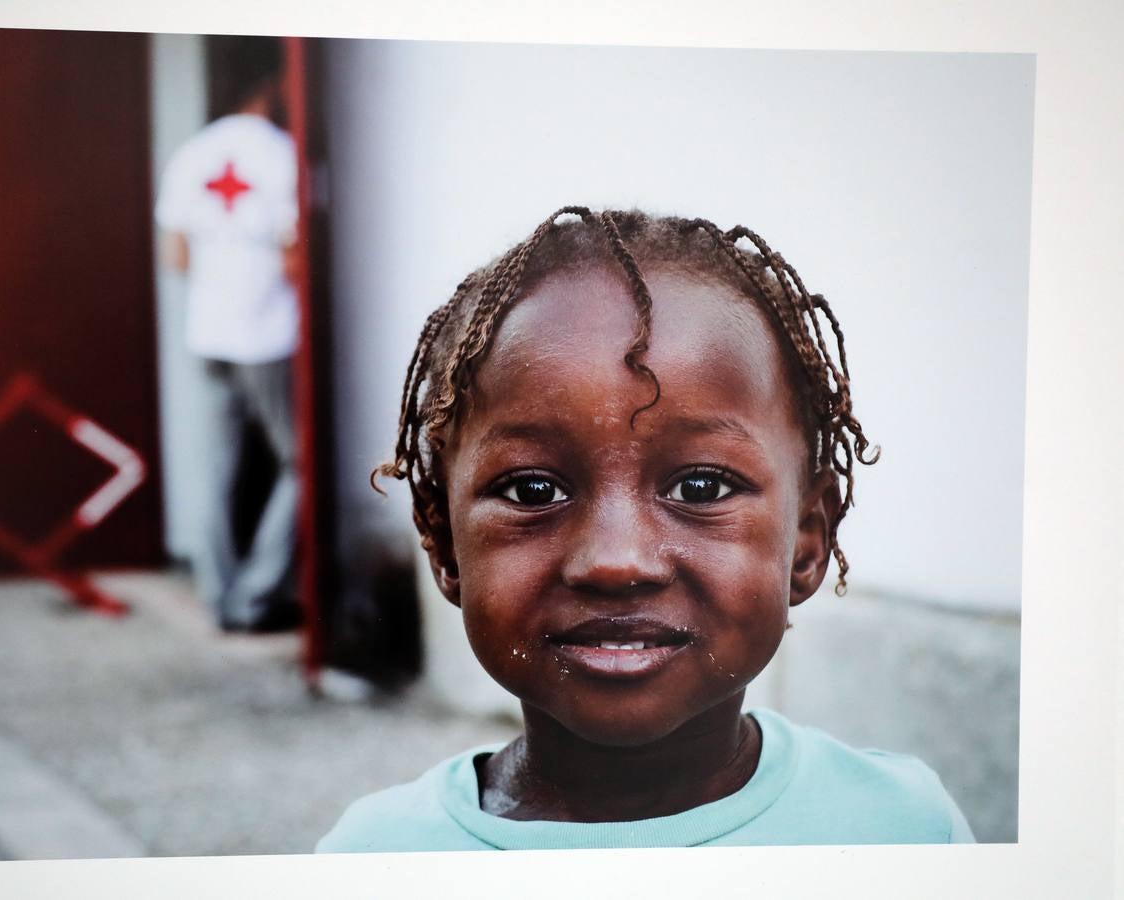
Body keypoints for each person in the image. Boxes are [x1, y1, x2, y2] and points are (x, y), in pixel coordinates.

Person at [315, 206, 974, 850]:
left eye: (701, 487)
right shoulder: (377, 859)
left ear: (807, 540)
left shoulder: (901, 833)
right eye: (533, 490)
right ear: (446, 541)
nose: (617, 561)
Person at [155, 55, 302, 632]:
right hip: (267, 333)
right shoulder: (282, 154)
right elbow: (296, 258)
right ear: (269, 90)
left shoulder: (193, 153)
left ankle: (218, 595)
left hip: (207, 331)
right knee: (303, 464)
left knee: (216, 467)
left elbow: (176, 256)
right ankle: (257, 595)